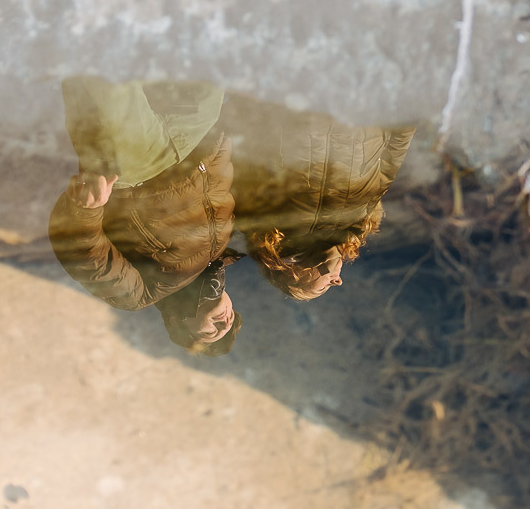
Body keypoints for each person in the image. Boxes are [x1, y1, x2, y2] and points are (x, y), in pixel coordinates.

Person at [49, 76, 240, 352]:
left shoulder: (142, 294)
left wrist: (85, 211)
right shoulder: (222, 247)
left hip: (139, 168)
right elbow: (221, 183)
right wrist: (219, 140)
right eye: (232, 323)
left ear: (177, 322)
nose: (225, 323)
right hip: (197, 132)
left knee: (107, 71)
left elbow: (88, 259)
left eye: (212, 333)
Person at [219, 92, 415, 300]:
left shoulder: (271, 221)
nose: (338, 281)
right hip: (363, 94)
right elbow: (391, 158)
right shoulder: (361, 218)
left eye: (322, 288)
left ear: (293, 273)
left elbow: (251, 150)